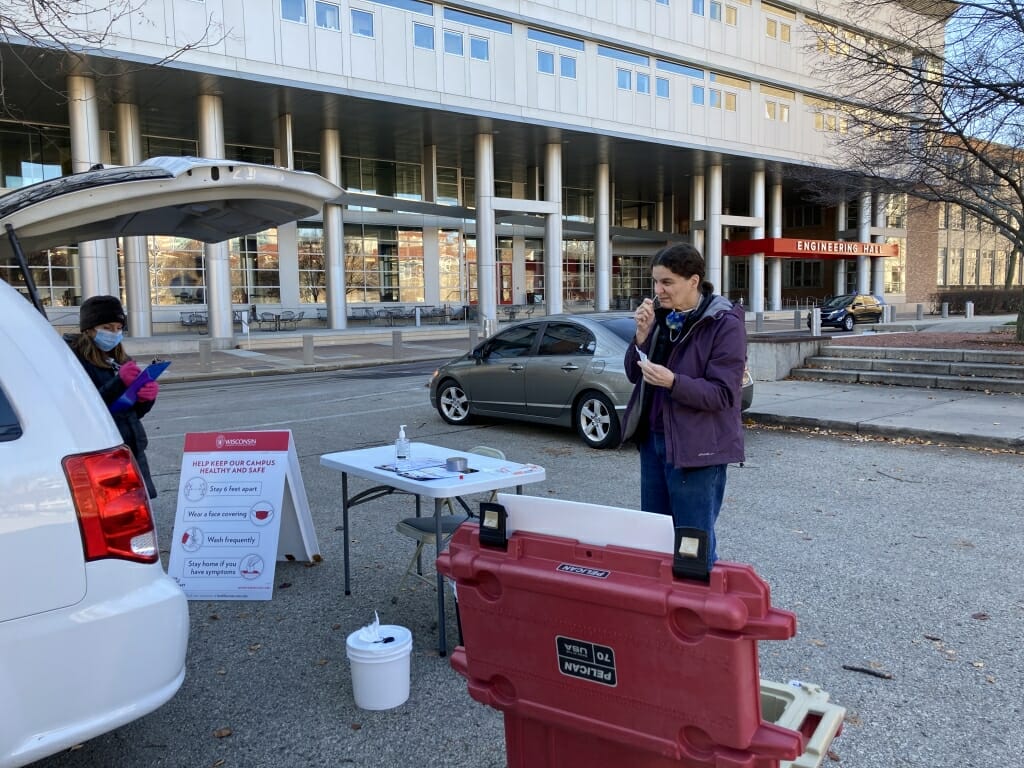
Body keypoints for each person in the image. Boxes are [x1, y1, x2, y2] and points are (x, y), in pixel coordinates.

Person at [621, 244, 746, 571]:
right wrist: (641, 336)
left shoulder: (724, 322)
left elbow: (722, 394)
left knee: (693, 543)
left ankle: (699, 612)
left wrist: (673, 381)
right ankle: (663, 611)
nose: (658, 291)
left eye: (667, 282)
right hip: (654, 441)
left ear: (693, 281)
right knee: (656, 536)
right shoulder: (661, 317)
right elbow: (634, 373)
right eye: (655, 283)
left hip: (698, 448)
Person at [66, 295, 159, 498]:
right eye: (107, 328)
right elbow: (84, 408)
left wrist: (146, 398)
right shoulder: (72, 361)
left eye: (118, 328)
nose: (114, 334)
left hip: (130, 448)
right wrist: (119, 383)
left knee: (141, 506)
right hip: (101, 451)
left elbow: (130, 412)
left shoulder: (120, 358)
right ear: (89, 329)